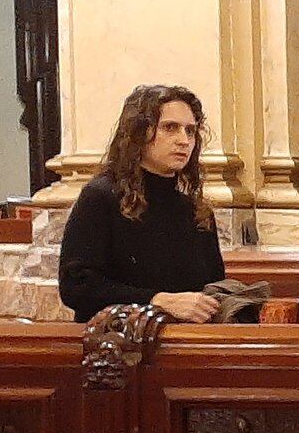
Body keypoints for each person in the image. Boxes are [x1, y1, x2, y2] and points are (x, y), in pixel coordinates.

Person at [58, 83, 226, 323]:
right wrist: (157, 300)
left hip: (189, 346)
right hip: (123, 347)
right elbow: (77, 287)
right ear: (139, 133)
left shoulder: (196, 211)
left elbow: (211, 287)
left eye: (190, 131)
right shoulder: (101, 197)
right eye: (170, 128)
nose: (184, 140)